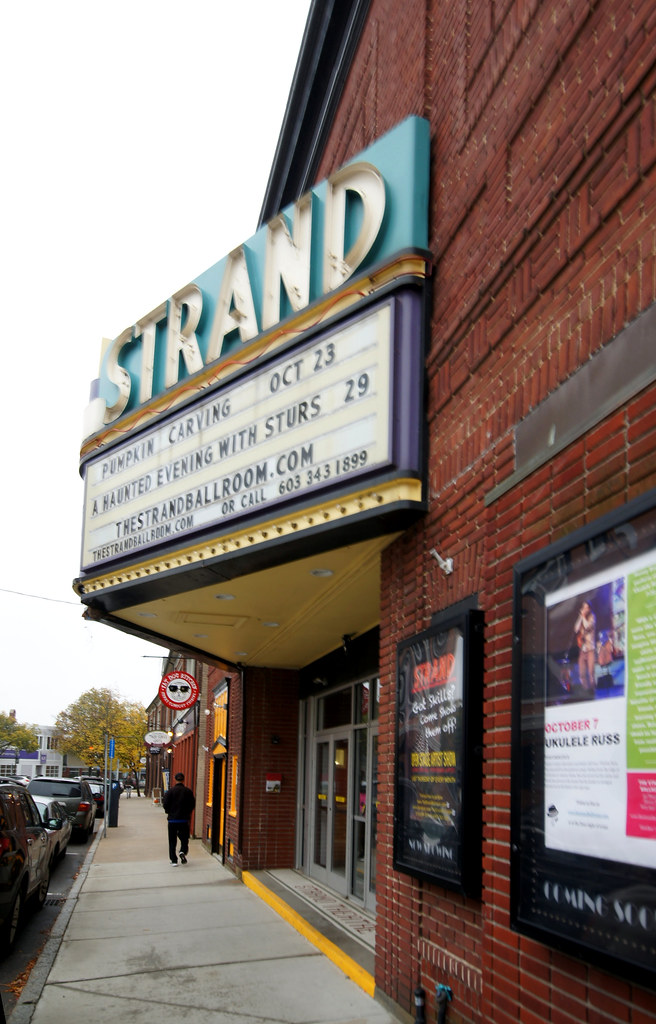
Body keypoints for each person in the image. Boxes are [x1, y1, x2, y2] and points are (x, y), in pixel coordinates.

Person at [162, 772, 195, 864]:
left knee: (172, 840)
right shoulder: (188, 791)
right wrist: (187, 813)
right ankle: (183, 850)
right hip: (184, 819)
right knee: (184, 837)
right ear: (183, 780)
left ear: (175, 779)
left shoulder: (170, 791)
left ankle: (173, 860)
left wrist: (169, 812)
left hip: (172, 820)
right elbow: (192, 804)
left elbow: (165, 804)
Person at [574, 599, 596, 693]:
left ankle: (592, 691)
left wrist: (583, 617)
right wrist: (580, 618)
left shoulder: (592, 617)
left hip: (590, 648)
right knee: (582, 673)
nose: (585, 609)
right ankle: (585, 691)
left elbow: (588, 627)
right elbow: (575, 629)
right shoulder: (581, 618)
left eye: (587, 607)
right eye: (584, 607)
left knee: (590, 673)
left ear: (589, 608)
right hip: (582, 649)